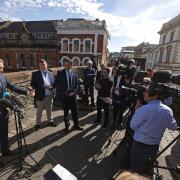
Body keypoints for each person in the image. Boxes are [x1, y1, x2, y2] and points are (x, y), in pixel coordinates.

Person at [130, 83, 177, 177]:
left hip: (139, 146)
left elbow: (133, 126)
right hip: (154, 147)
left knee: (135, 172)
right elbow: (173, 127)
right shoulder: (168, 110)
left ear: (155, 95)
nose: (144, 93)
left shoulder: (143, 109)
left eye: (147, 91)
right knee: (148, 170)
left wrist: (136, 110)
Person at [0, 59, 34, 163]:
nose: (1, 69)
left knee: (4, 133)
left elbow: (14, 87)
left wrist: (27, 93)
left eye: (1, 67)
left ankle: (5, 150)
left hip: (3, 111)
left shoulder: (3, 78)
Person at [54, 59, 83, 132]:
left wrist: (74, 92)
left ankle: (76, 125)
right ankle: (67, 126)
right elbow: (56, 83)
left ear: (71, 65)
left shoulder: (74, 74)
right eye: (65, 65)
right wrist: (50, 87)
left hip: (73, 96)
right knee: (66, 112)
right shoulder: (60, 73)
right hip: (64, 96)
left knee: (75, 112)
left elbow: (77, 85)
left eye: (68, 65)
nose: (66, 66)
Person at [31, 59, 57, 131]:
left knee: (49, 109)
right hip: (40, 95)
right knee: (39, 111)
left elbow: (54, 83)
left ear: (47, 65)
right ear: (39, 66)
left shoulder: (51, 73)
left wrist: (53, 88)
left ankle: (50, 121)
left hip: (50, 95)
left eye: (44, 65)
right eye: (41, 65)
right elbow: (33, 84)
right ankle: (38, 124)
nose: (43, 67)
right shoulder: (35, 74)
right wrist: (32, 89)